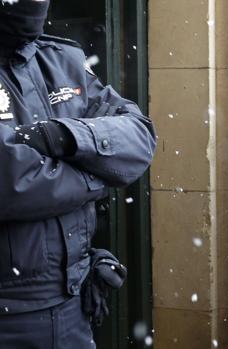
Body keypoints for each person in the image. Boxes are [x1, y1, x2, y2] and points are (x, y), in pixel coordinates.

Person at [0, 0, 156, 347]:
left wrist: (66, 136)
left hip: (74, 310)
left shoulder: (63, 61)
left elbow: (140, 137)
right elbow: (10, 182)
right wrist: (98, 177)